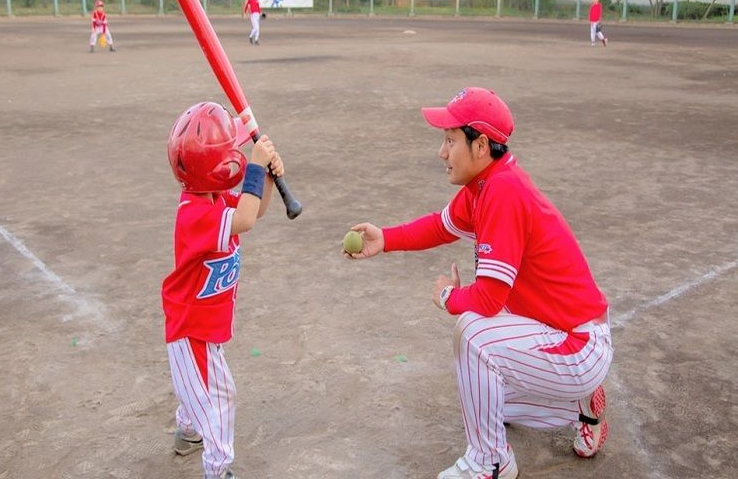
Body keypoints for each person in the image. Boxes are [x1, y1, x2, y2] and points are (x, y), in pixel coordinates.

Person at [344, 87, 613, 479]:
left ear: (481, 145)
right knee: (485, 400)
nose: (442, 152)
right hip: (559, 331)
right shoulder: (485, 185)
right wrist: (385, 239)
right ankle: (582, 408)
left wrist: (447, 296)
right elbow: (440, 226)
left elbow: (486, 300)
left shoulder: (503, 191)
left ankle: (491, 461)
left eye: (450, 140)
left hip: (576, 343)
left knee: (473, 333)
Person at [162, 102, 284, 479]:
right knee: (219, 396)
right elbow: (245, 219)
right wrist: (255, 165)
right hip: (190, 330)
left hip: (205, 324)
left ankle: (187, 431)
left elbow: (255, 210)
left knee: (198, 389)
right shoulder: (194, 213)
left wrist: (264, 178)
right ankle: (218, 470)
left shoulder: (213, 197)